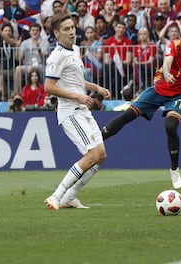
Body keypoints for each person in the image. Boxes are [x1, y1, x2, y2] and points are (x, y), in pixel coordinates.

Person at [102, 25, 181, 189]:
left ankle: (174, 169)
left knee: (170, 126)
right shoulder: (175, 46)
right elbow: (167, 61)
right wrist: (167, 72)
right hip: (158, 90)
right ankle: (95, 143)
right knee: (127, 115)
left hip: (179, 95)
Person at [43, 13, 111, 211]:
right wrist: (77, 96)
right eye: (66, 29)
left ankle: (70, 197)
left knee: (101, 155)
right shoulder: (57, 56)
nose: (72, 32)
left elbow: (75, 80)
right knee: (91, 154)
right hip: (70, 111)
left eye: (72, 27)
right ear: (57, 33)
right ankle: (56, 195)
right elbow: (49, 86)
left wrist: (95, 88)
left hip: (82, 109)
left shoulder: (74, 49)